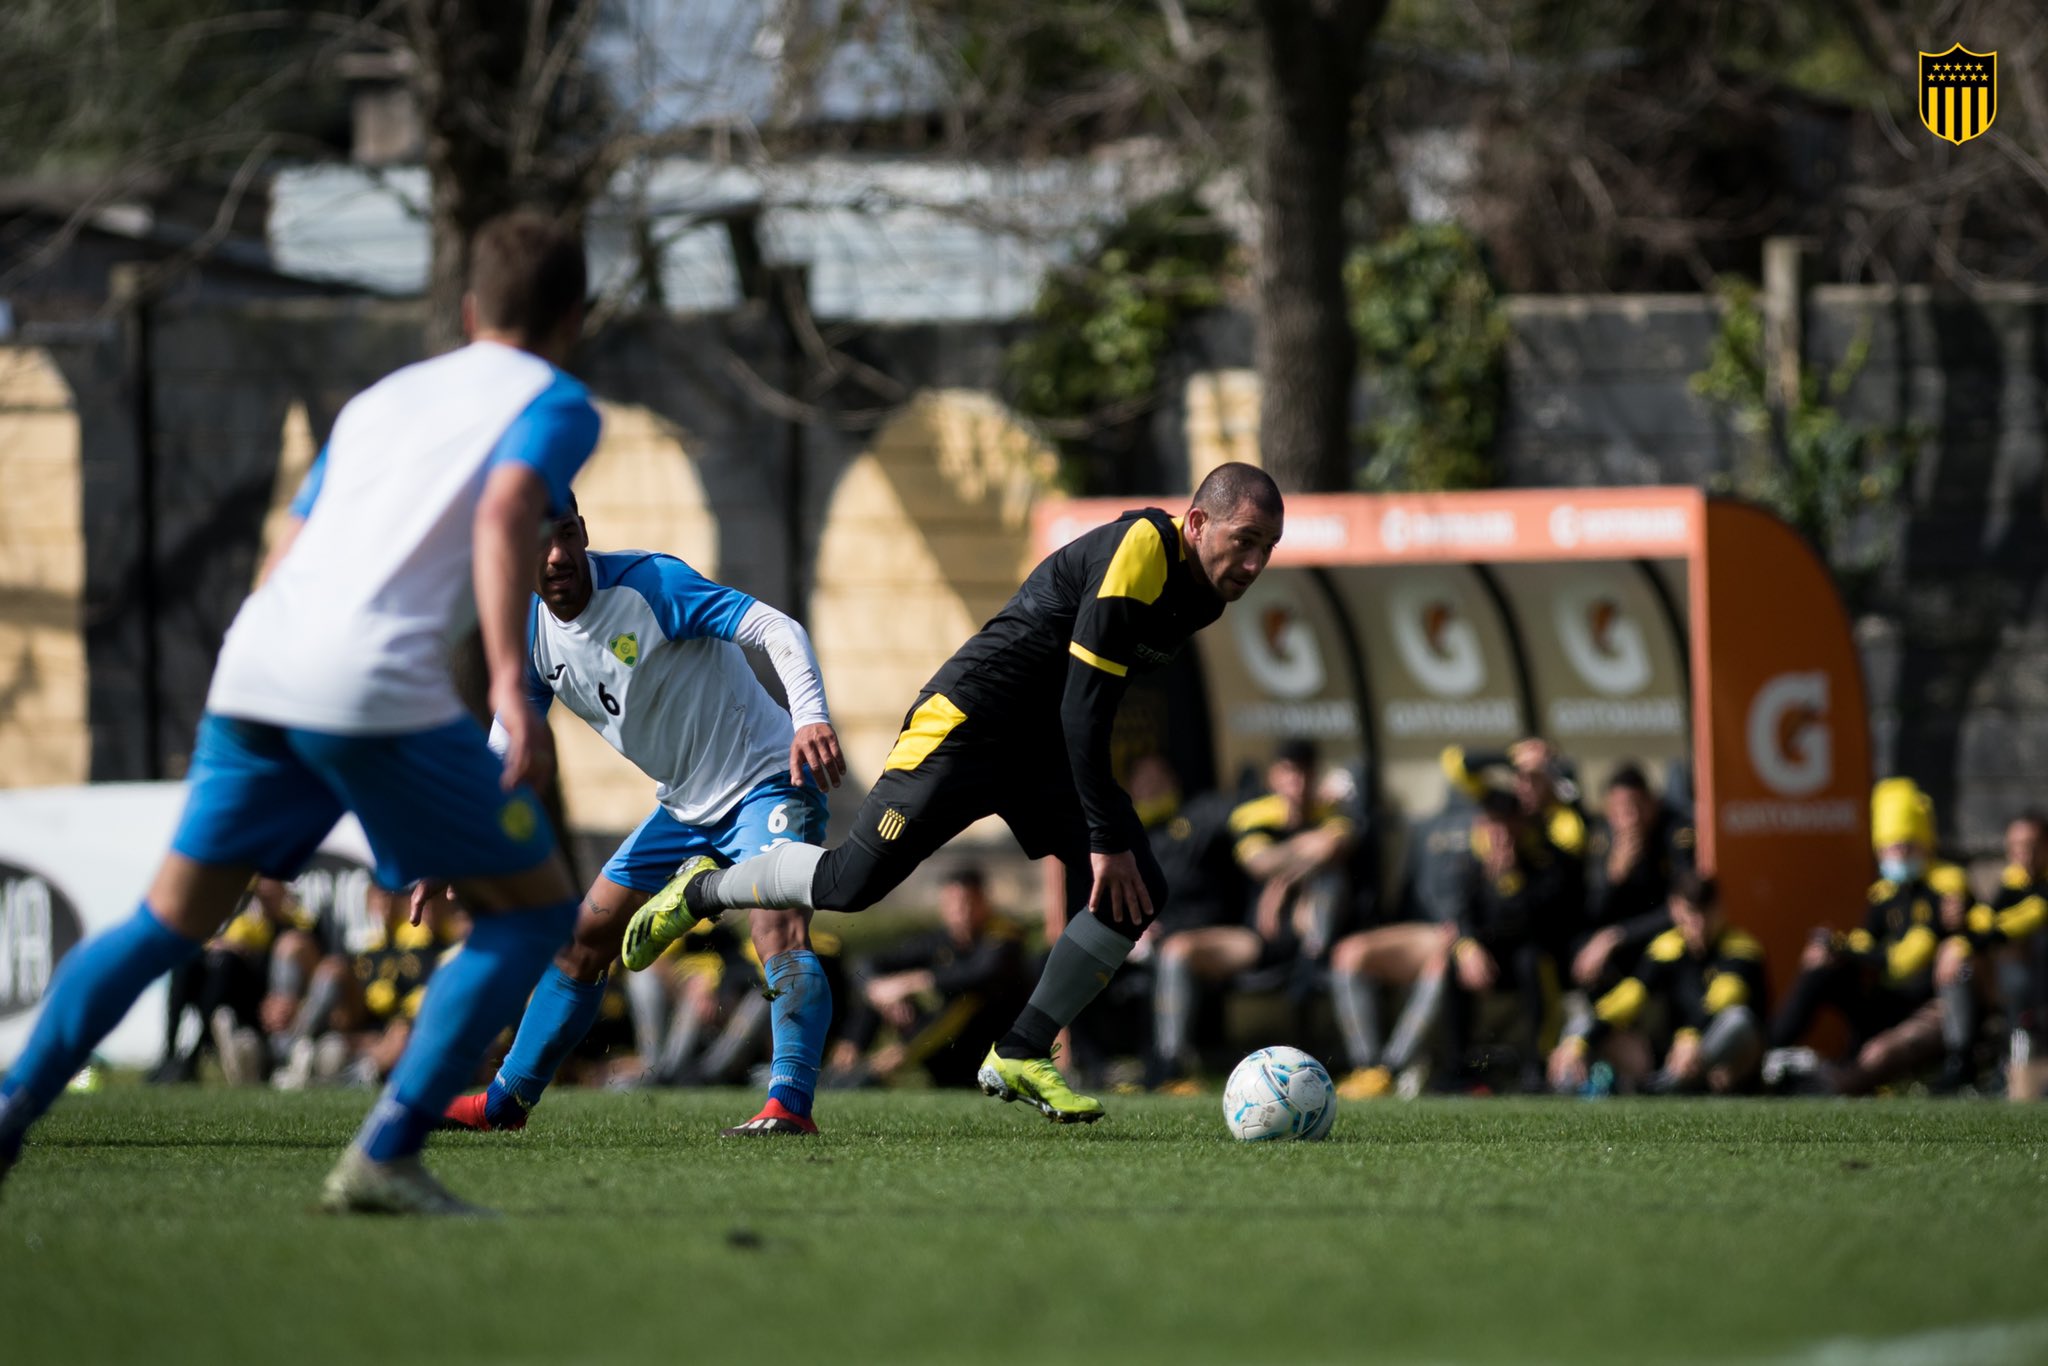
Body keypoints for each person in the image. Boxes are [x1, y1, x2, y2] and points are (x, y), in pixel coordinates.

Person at [0, 211, 599, 1215]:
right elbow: (506, 512)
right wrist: (509, 685)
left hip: (258, 660)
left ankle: (11, 1110)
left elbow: (291, 541)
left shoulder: (379, 400)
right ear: (575, 317)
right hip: (372, 681)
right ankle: (386, 1152)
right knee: (535, 912)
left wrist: (260, 668)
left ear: (467, 310)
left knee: (166, 919)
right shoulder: (557, 400)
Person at [621, 463, 1285, 1123]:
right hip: (967, 724)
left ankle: (1022, 1050)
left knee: (1136, 889)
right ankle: (704, 889)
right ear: (1197, 523)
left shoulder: (1205, 593)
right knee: (850, 884)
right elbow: (1086, 709)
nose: (1255, 563)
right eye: (1245, 540)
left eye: (1267, 548)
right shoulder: (1142, 549)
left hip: (1038, 748)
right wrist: (1105, 836)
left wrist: (1110, 839)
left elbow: (1079, 712)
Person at [428, 498, 845, 1137]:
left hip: (767, 780)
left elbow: (775, 627)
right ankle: (504, 1104)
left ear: (583, 531)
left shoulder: (651, 585)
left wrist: (810, 716)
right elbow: (506, 747)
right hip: (683, 806)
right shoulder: (530, 635)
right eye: (540, 542)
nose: (557, 556)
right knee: (582, 939)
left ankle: (788, 1105)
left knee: (776, 927)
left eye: (566, 535)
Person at [1148, 739, 1353, 1091]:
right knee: (1177, 950)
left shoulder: (1332, 815)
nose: (1298, 782)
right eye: (1290, 772)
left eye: (1305, 772)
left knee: (1329, 882)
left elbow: (1334, 846)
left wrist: (1285, 882)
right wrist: (1301, 857)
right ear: (1275, 777)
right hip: (1259, 937)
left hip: (1315, 938)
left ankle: (1359, 1060)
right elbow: (1260, 863)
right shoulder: (1255, 815)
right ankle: (1172, 1065)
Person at [1766, 778, 1967, 1095]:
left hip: (1925, 1004)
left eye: (1906, 845)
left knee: (1877, 1055)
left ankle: (1832, 1084)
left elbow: (1906, 961)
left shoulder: (1945, 887)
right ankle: (1769, 1050)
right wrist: (1834, 949)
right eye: (1891, 847)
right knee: (1820, 968)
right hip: (1885, 998)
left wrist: (1848, 950)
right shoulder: (1884, 893)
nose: (1899, 855)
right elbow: (1865, 941)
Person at [1548, 873, 1766, 1095]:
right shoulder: (1667, 947)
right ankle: (1571, 1081)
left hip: (1720, 1060)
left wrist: (1690, 1036)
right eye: (1691, 913)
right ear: (1675, 909)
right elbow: (1629, 997)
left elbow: (1723, 999)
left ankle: (1667, 1086)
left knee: (1738, 1020)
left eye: (1706, 912)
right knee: (1582, 1025)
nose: (1699, 924)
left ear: (1719, 909)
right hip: (1674, 1056)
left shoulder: (1740, 948)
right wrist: (1579, 1042)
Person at [828, 867, 1031, 1088]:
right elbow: (867, 963)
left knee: (966, 1001)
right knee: (879, 989)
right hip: (946, 1051)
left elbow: (980, 973)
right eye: (952, 904)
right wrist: (880, 992)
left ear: (984, 902)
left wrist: (910, 983)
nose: (961, 911)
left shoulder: (1003, 935)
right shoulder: (940, 941)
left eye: (968, 902)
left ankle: (886, 1065)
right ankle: (845, 1059)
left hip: (988, 1048)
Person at [1932, 810, 2048, 1089]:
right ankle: (1962, 1058)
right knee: (1963, 965)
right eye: (2017, 846)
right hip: (2012, 987)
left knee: (2017, 966)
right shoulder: (2010, 883)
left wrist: (1965, 943)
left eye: (2032, 846)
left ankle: (2018, 1068)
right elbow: (1986, 919)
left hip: (2037, 987)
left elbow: (2022, 920)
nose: (2024, 854)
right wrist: (1959, 929)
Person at [1571, 763, 1696, 992]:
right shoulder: (1602, 836)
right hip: (1618, 936)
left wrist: (1617, 936)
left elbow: (1680, 908)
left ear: (1653, 804)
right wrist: (1613, 878)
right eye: (1621, 810)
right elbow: (1591, 913)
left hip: (1652, 932)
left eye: (1638, 806)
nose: (1632, 818)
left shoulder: (1675, 833)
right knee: (1581, 945)